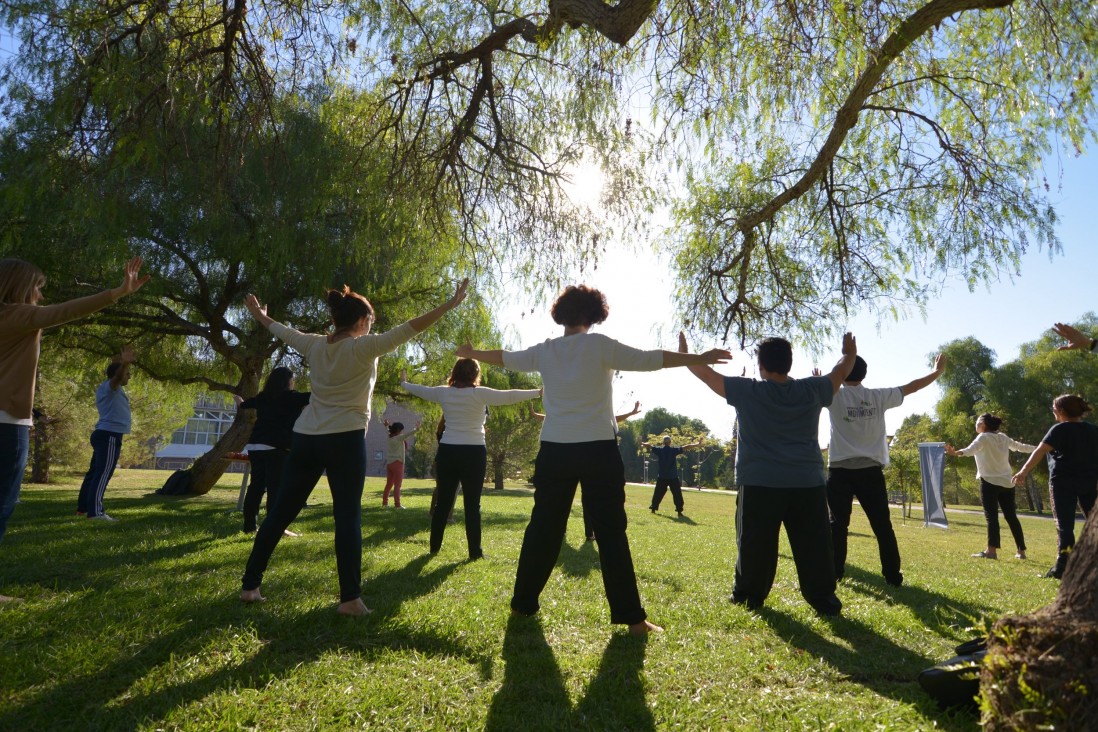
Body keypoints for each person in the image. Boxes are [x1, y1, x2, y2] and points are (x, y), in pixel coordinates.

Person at [456, 284, 731, 635]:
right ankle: (634, 620)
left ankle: (522, 605)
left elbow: (505, 356)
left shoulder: (546, 351)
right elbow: (651, 359)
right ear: (594, 314)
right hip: (598, 450)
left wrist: (471, 352)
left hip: (555, 450)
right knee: (611, 533)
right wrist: (698, 358)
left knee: (543, 528)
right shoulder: (600, 346)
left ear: (562, 315)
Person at [239, 277, 468, 616]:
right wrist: (449, 305)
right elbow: (410, 328)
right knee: (347, 517)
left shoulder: (315, 345)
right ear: (362, 322)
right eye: (370, 322)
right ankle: (349, 600)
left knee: (280, 512)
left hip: (305, 438)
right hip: (343, 439)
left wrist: (260, 316)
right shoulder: (364, 347)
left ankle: (250, 586)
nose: (371, 327)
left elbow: (281, 330)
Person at [0, 255, 148, 602]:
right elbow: (63, 312)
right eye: (36, 288)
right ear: (20, 288)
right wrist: (116, 293)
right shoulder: (15, 315)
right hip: (7, 424)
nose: (39, 296)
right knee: (3, 502)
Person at [679, 331, 856, 615]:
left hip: (760, 484)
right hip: (807, 485)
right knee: (815, 549)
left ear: (761, 366)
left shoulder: (749, 390)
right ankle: (824, 601)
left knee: (755, 547)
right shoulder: (812, 389)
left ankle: (749, 597)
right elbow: (841, 371)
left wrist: (687, 352)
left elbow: (702, 372)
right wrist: (849, 352)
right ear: (789, 363)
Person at [824, 353, 946, 586]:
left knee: (837, 526)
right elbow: (912, 387)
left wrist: (823, 379)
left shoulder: (833, 395)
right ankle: (892, 576)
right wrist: (936, 372)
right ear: (864, 374)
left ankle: (835, 573)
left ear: (841, 373)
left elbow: (800, 387)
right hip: (870, 472)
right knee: (882, 526)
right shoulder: (877, 397)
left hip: (839, 471)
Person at [401, 359, 540, 558]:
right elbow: (509, 396)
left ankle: (434, 548)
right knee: (472, 506)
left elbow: (420, 390)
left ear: (454, 372)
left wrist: (404, 383)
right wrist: (538, 392)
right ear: (476, 375)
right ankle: (475, 553)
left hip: (448, 452)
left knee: (443, 503)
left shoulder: (444, 392)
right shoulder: (480, 393)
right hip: (474, 454)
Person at [1012, 394, 1098, 579]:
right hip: (1090, 482)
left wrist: (1023, 472)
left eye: (1053, 409)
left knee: (1064, 525)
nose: (1053, 412)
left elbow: (1040, 451)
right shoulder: (1093, 430)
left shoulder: (1059, 429)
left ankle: (1062, 567)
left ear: (1061, 411)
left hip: (1063, 483)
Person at [529, 400, 642, 541]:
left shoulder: (592, 415)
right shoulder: (571, 415)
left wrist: (631, 413)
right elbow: (548, 418)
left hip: (587, 458)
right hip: (574, 457)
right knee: (563, 501)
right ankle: (565, 531)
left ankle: (589, 533)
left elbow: (613, 419)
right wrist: (535, 414)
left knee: (586, 501)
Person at [945, 414, 1036, 560]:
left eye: (977, 421)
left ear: (983, 424)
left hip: (989, 482)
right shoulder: (1003, 437)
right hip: (1007, 482)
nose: (975, 424)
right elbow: (1021, 447)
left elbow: (970, 450)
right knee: (1011, 517)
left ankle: (991, 552)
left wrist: (955, 453)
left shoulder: (983, 437)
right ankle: (1021, 552)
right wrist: (1041, 448)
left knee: (991, 517)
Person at [237, 367, 311, 534]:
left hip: (256, 446)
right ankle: (275, 529)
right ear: (288, 381)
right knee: (275, 488)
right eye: (292, 380)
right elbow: (317, 397)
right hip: (277, 448)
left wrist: (239, 402)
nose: (294, 383)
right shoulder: (291, 398)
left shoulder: (263, 397)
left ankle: (249, 527)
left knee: (256, 486)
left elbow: (245, 404)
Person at [76, 345, 137, 521]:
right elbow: (117, 376)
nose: (129, 376)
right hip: (109, 435)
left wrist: (118, 362)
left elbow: (116, 374)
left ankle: (83, 508)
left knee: (94, 473)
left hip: (103, 434)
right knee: (103, 474)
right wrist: (123, 364)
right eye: (127, 374)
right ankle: (96, 513)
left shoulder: (109, 388)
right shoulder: (112, 387)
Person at [642, 434, 703, 516]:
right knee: (677, 494)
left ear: (663, 443)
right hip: (672, 476)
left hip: (662, 476)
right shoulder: (673, 451)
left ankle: (653, 508)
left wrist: (642, 443)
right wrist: (697, 444)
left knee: (658, 493)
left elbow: (650, 446)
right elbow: (686, 446)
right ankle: (679, 511)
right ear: (670, 442)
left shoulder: (659, 450)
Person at [382, 420, 416, 508]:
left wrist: (386, 426)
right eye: (401, 430)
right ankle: (397, 505)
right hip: (398, 463)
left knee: (389, 484)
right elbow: (408, 434)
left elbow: (388, 431)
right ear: (398, 430)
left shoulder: (390, 437)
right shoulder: (399, 438)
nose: (402, 432)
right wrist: (417, 429)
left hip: (389, 464)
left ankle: (385, 503)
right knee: (397, 485)